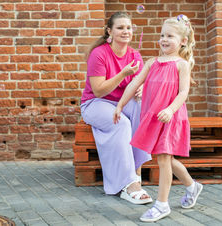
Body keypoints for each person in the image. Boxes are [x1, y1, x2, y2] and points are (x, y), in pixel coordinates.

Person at [113, 14, 203, 222]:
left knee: (163, 158)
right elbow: (134, 84)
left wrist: (170, 110)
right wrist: (120, 105)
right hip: (153, 117)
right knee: (166, 158)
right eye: (162, 35)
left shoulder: (182, 65)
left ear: (182, 41)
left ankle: (162, 205)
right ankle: (192, 186)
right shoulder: (152, 62)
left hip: (171, 117)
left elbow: (183, 93)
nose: (163, 39)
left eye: (170, 36)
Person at [80, 12, 153, 204]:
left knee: (140, 107)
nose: (125, 31)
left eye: (128, 27)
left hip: (122, 102)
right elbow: (98, 91)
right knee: (121, 123)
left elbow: (140, 83)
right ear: (109, 31)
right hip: (95, 104)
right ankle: (128, 185)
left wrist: (142, 88)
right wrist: (123, 74)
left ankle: (136, 173)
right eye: (120, 28)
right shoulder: (100, 53)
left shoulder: (135, 55)